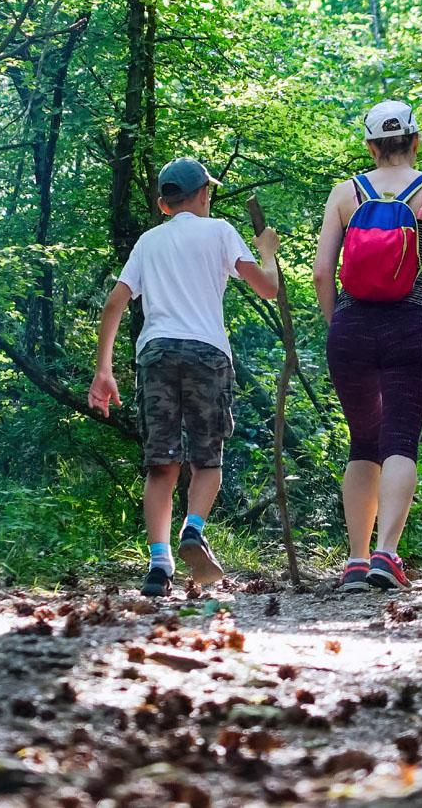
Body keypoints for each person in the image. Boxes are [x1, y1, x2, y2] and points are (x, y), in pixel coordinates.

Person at [88, 157, 280, 596]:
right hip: (206, 353)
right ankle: (193, 528)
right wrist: (266, 251)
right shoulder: (220, 232)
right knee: (206, 457)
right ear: (204, 195)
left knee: (161, 464)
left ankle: (159, 565)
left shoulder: (147, 242)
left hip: (155, 353)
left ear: (162, 203)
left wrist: (104, 370)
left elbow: (115, 304)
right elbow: (267, 288)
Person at [313, 101, 422, 591]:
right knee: (400, 439)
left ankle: (356, 560)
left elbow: (323, 271)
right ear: (416, 140)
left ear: (369, 146)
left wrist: (338, 325)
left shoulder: (346, 194)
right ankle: (387, 554)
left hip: (350, 329)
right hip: (411, 326)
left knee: (363, 442)